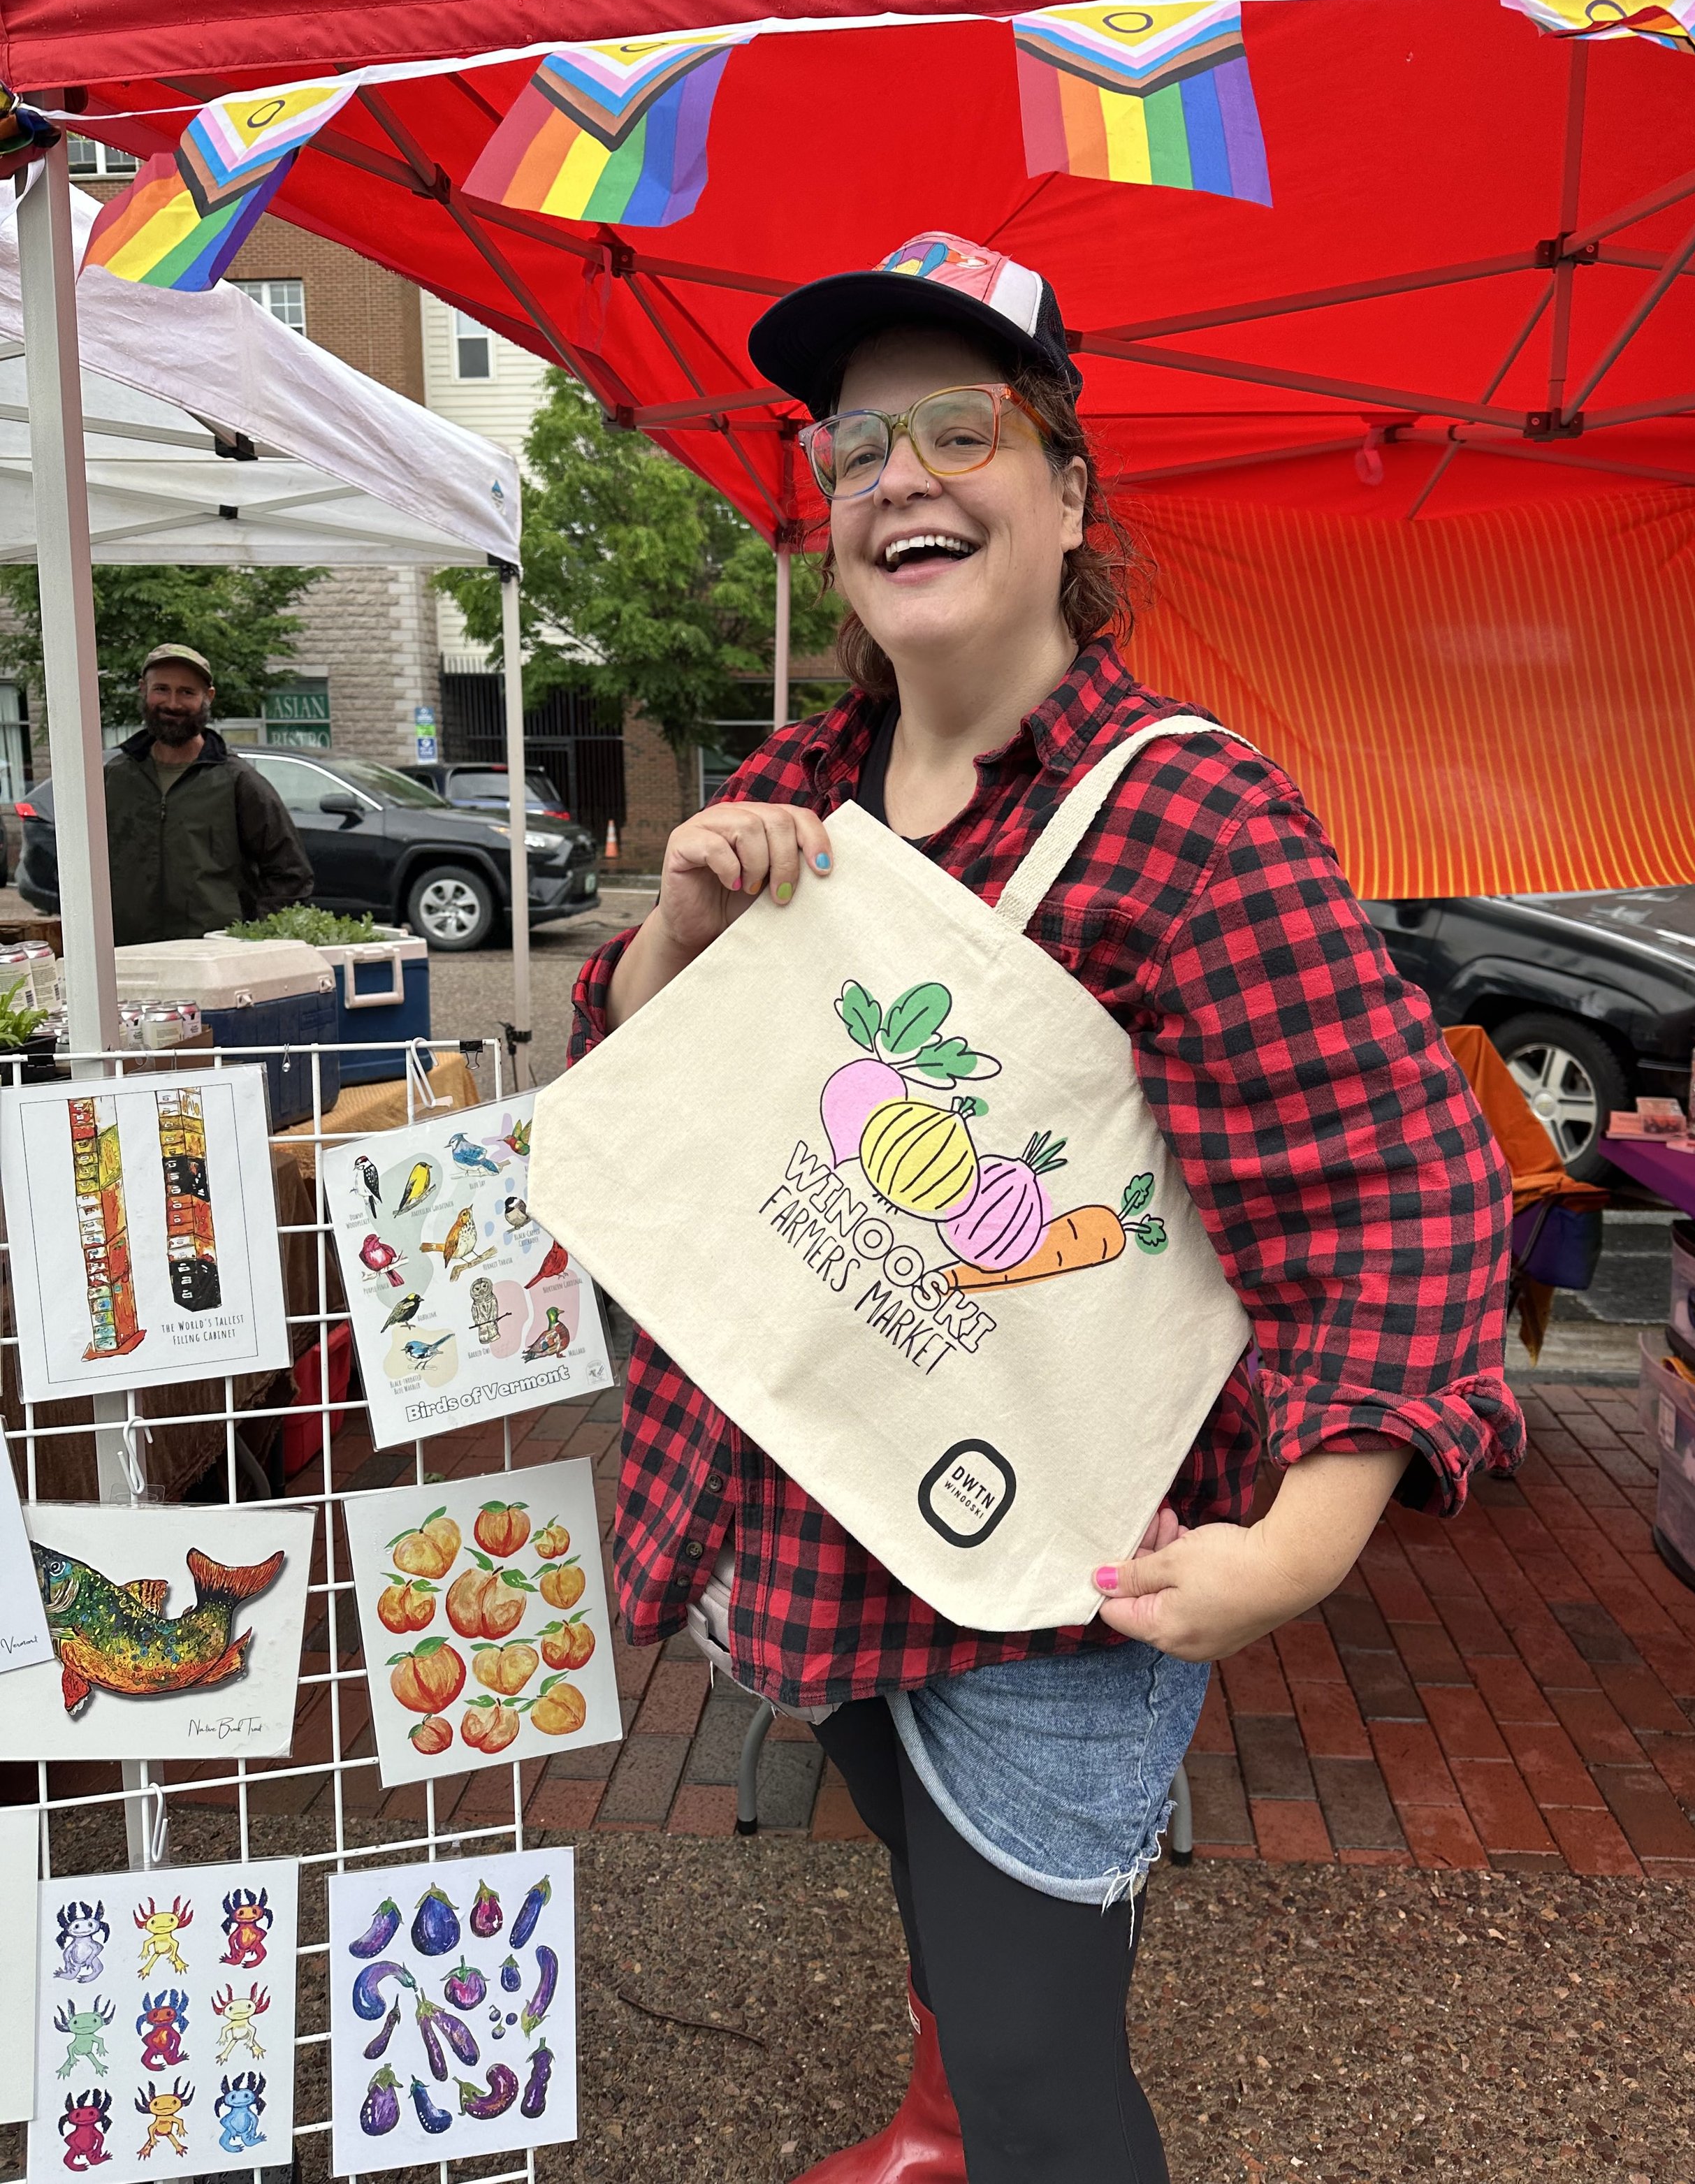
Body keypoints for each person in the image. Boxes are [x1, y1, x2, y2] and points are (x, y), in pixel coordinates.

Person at [567, 233, 1521, 2183]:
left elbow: (1396, 1188)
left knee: (1039, 2075)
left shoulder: (1190, 814)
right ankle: (936, 2109)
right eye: (854, 448)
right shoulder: (799, 789)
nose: (899, 475)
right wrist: (676, 923)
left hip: (1043, 1590)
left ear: (1068, 490)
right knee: (946, 1932)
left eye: (962, 427)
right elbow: (640, 1081)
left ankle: (969, 2113)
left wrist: (1298, 1546)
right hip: (819, 1527)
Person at [105, 643, 312, 943]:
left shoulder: (239, 782)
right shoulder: (114, 778)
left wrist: (254, 941)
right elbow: (78, 869)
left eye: (187, 692)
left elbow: (291, 875)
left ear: (208, 698)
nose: (173, 704)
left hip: (215, 962)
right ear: (143, 690)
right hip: (128, 958)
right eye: (161, 689)